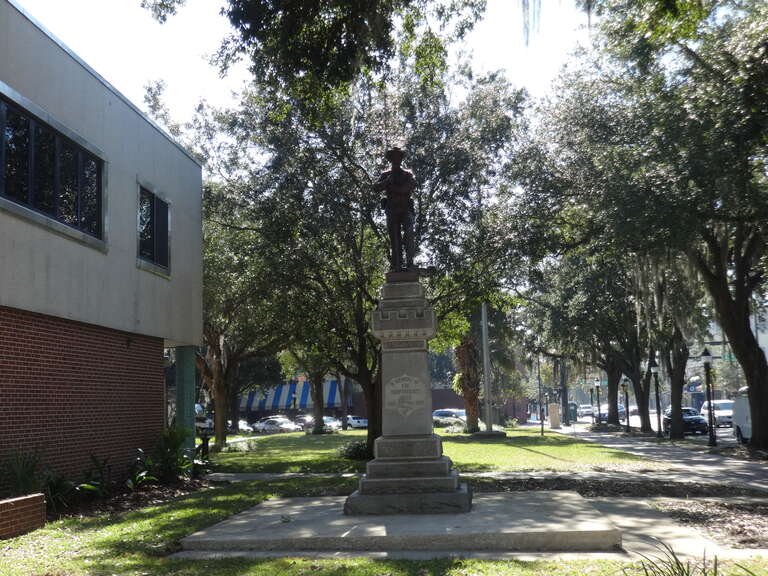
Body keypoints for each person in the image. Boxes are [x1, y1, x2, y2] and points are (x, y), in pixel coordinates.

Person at [374, 147, 416, 271]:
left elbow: (408, 187)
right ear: (391, 159)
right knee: (394, 238)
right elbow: (376, 187)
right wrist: (387, 181)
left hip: (405, 209)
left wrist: (393, 188)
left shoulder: (408, 174)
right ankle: (396, 265)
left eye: (399, 156)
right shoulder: (386, 175)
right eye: (394, 157)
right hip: (392, 209)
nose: (397, 159)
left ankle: (410, 263)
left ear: (401, 158)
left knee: (409, 233)